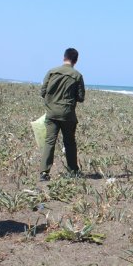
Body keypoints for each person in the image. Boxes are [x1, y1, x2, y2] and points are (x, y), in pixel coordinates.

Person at [40, 48, 85, 181]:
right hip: (67, 114)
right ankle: (73, 171)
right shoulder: (77, 75)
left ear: (63, 57)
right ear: (76, 60)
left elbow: (43, 92)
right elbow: (81, 97)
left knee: (49, 142)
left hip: (51, 113)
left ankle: (44, 172)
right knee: (70, 142)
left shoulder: (51, 72)